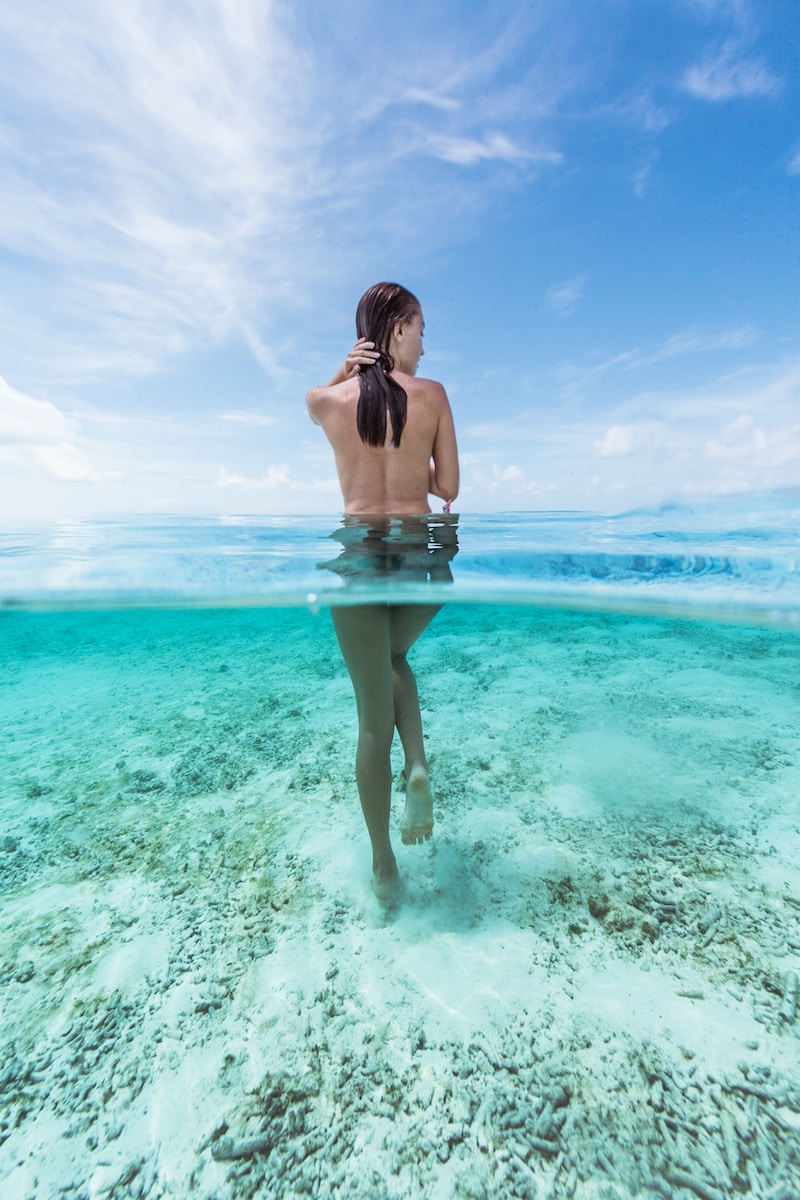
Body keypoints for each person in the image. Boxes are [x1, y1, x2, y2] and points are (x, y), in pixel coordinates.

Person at [306, 283, 459, 902]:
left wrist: (346, 371)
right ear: (398, 327)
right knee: (395, 659)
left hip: (361, 557)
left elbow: (315, 400)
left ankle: (383, 866)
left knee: (372, 722)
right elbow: (448, 487)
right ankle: (417, 763)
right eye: (421, 329)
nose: (425, 343)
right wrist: (412, 456)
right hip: (422, 557)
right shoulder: (434, 395)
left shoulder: (328, 401)